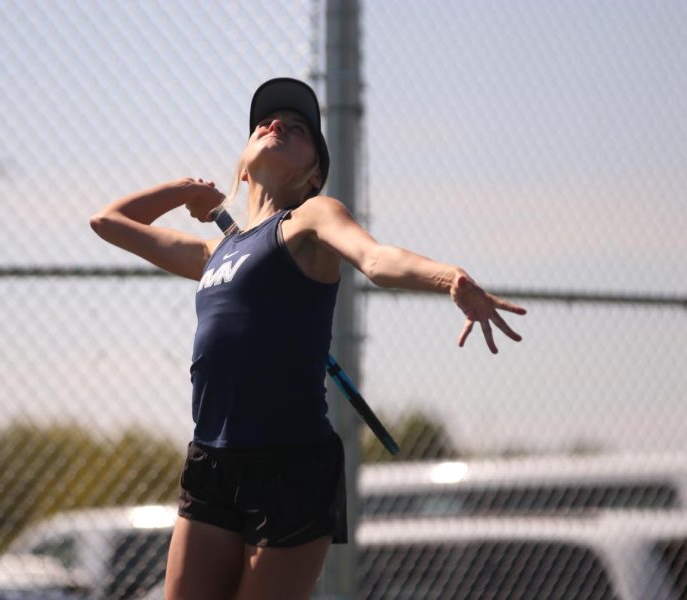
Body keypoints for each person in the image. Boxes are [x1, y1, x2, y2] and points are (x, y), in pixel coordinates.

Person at [90, 77, 526, 600]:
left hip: (291, 465)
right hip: (212, 459)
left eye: (296, 128)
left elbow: (377, 259)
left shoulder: (310, 219)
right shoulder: (214, 254)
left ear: (313, 172)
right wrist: (185, 190)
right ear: (245, 161)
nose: (276, 125)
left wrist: (448, 276)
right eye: (265, 122)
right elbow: (108, 221)